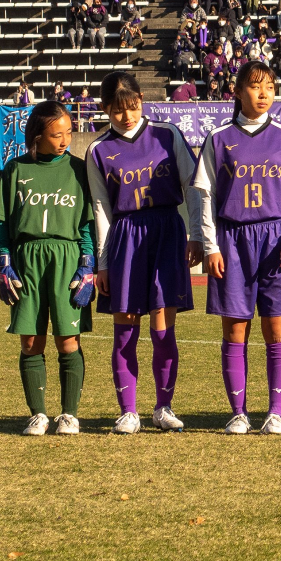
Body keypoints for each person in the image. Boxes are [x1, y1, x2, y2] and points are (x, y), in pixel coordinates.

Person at [192, 62, 281, 435]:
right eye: (254, 86)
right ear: (237, 92)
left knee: (277, 328)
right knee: (235, 329)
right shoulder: (219, 138)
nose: (263, 94)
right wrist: (210, 245)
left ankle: (275, 413)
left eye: (270, 86)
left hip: (277, 239)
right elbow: (205, 197)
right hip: (231, 240)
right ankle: (238, 413)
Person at [85, 72, 200, 435]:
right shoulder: (98, 150)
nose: (127, 116)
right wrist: (102, 263)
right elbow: (101, 209)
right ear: (104, 109)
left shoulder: (167, 134)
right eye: (118, 110)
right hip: (126, 239)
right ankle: (128, 411)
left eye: (132, 106)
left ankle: (163, 407)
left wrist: (196, 235)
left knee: (164, 328)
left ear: (141, 101)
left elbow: (193, 185)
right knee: (125, 330)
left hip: (167, 233)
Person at [0, 101, 95, 436]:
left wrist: (87, 264)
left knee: (68, 339)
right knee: (31, 341)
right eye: (56, 134)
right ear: (37, 136)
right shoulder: (16, 169)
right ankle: (38, 414)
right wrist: (4, 263)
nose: (64, 139)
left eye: (68, 132)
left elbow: (86, 226)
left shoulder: (78, 170)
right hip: (27, 258)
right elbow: (3, 224)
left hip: (66, 258)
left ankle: (69, 415)